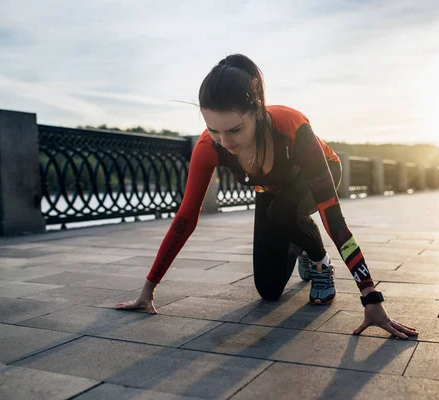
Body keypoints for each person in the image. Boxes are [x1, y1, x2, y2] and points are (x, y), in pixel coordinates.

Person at [116, 54, 417, 339]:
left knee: (283, 213)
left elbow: (335, 221)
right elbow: (186, 217)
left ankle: (320, 262)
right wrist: (148, 289)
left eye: (234, 130)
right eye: (213, 130)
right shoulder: (210, 146)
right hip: (271, 188)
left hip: (315, 176)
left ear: (257, 111)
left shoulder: (293, 127)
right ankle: (298, 242)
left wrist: (370, 296)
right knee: (269, 290)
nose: (224, 142)